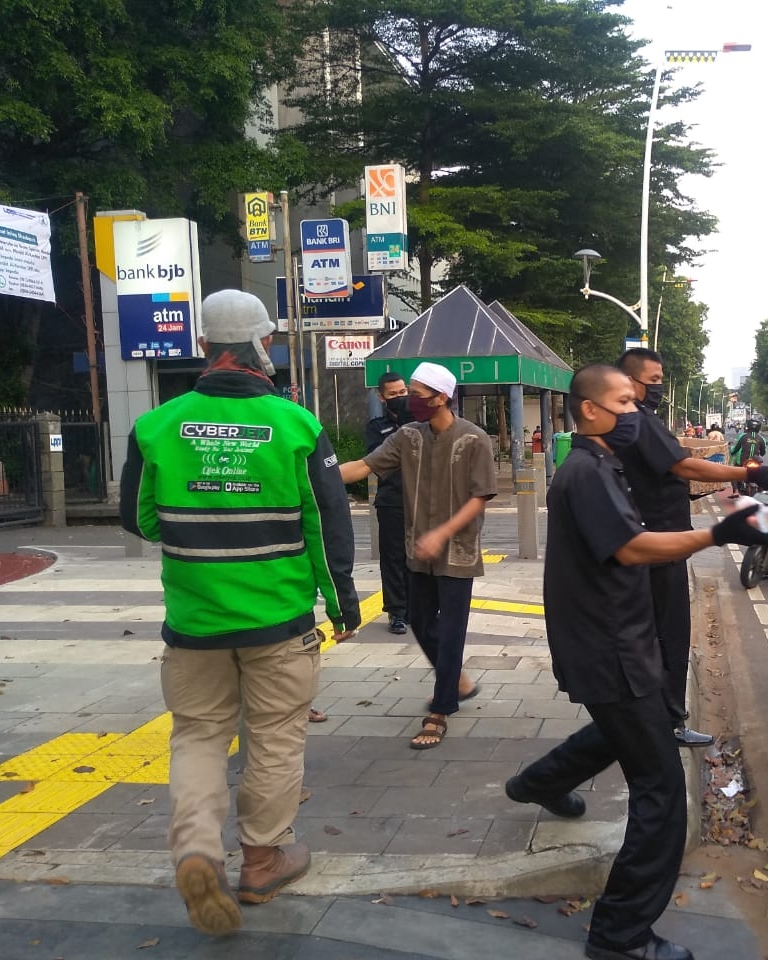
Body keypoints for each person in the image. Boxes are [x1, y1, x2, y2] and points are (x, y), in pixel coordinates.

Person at [504, 363, 768, 960]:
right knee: (659, 790)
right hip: (610, 649)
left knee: (622, 730)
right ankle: (619, 935)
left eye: (636, 402)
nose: (635, 412)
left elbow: (669, 485)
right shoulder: (586, 473)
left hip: (621, 640)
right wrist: (721, 534)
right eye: (625, 402)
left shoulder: (606, 464)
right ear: (589, 411)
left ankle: (536, 783)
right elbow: (632, 547)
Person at [119, 289, 360, 936]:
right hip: (279, 623)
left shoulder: (157, 425)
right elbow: (328, 526)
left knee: (198, 736)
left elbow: (138, 518)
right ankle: (261, 859)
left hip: (194, 625)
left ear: (204, 347)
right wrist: (343, 605)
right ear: (264, 345)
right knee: (276, 738)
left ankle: (197, 850)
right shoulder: (298, 426)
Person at [614, 348, 768, 747]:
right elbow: (684, 466)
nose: (659, 388)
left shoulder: (628, 424)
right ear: (630, 382)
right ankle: (669, 720)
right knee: (670, 634)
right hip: (661, 546)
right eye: (654, 381)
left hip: (654, 538)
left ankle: (650, 715)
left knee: (652, 634)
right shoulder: (640, 421)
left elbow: (660, 477)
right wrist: (750, 472)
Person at [339, 362, 496, 750]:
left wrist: (442, 532)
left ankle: (441, 710)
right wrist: (309, 473)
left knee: (452, 628)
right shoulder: (407, 437)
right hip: (416, 548)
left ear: (441, 398)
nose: (410, 400)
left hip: (456, 550)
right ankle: (456, 679)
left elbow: (480, 497)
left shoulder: (475, 439)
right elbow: (364, 466)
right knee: (421, 621)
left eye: (417, 393)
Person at [366, 372, 410, 635]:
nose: (399, 399)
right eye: (393, 395)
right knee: (393, 558)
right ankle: (397, 611)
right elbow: (378, 461)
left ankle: (419, 607)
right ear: (382, 397)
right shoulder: (376, 427)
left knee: (420, 558)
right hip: (391, 501)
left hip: (422, 501)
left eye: (403, 393)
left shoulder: (420, 422)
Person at [728, 417, 768, 499]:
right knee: (762, 475)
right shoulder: (762, 439)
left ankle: (735, 491)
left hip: (743, 461)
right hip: (756, 461)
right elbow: (763, 453)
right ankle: (762, 492)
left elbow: (736, 448)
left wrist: (731, 451)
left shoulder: (743, 436)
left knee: (733, 474)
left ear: (748, 426)